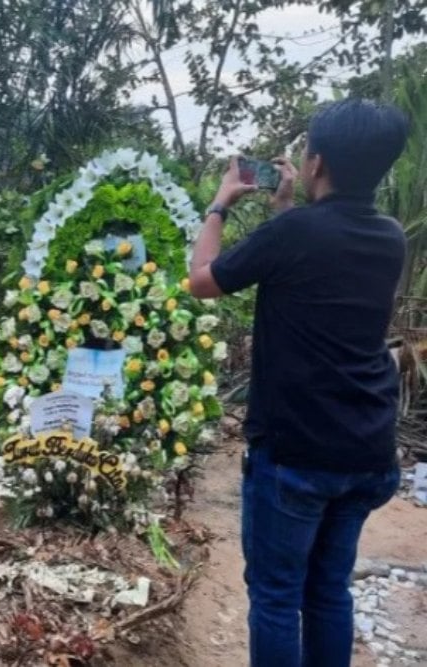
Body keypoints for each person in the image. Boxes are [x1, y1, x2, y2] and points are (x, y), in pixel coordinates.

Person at [188, 99, 410, 666]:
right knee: (329, 590)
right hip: (367, 447)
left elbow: (202, 281)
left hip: (298, 451)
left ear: (315, 163)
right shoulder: (389, 236)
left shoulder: (295, 232)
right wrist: (286, 207)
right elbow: (312, 256)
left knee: (277, 597)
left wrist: (219, 203)